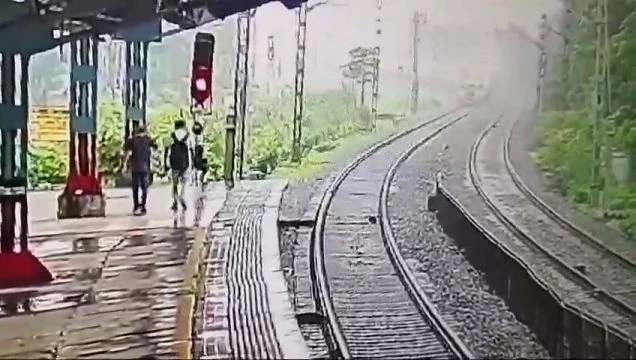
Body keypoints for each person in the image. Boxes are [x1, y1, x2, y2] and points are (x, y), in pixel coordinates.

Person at [124, 125, 157, 216]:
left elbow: (128, 154)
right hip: (145, 167)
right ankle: (143, 206)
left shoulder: (131, 141)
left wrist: (125, 166)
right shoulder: (148, 140)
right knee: (144, 187)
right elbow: (155, 149)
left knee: (135, 188)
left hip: (135, 167)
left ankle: (136, 206)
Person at [164, 119, 191, 212]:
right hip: (184, 163)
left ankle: (175, 200)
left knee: (175, 184)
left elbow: (167, 150)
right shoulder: (187, 136)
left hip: (174, 162)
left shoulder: (172, 136)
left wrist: (165, 164)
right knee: (183, 182)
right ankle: (181, 196)